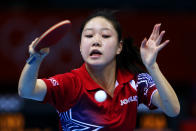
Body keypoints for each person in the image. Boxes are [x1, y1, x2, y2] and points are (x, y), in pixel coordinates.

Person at [18, 10, 180, 131]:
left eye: (105, 36)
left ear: (119, 47)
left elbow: (173, 110)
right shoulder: (70, 83)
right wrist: (35, 59)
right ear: (81, 47)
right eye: (89, 36)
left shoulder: (136, 82)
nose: (96, 41)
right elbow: (26, 90)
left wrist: (152, 66)